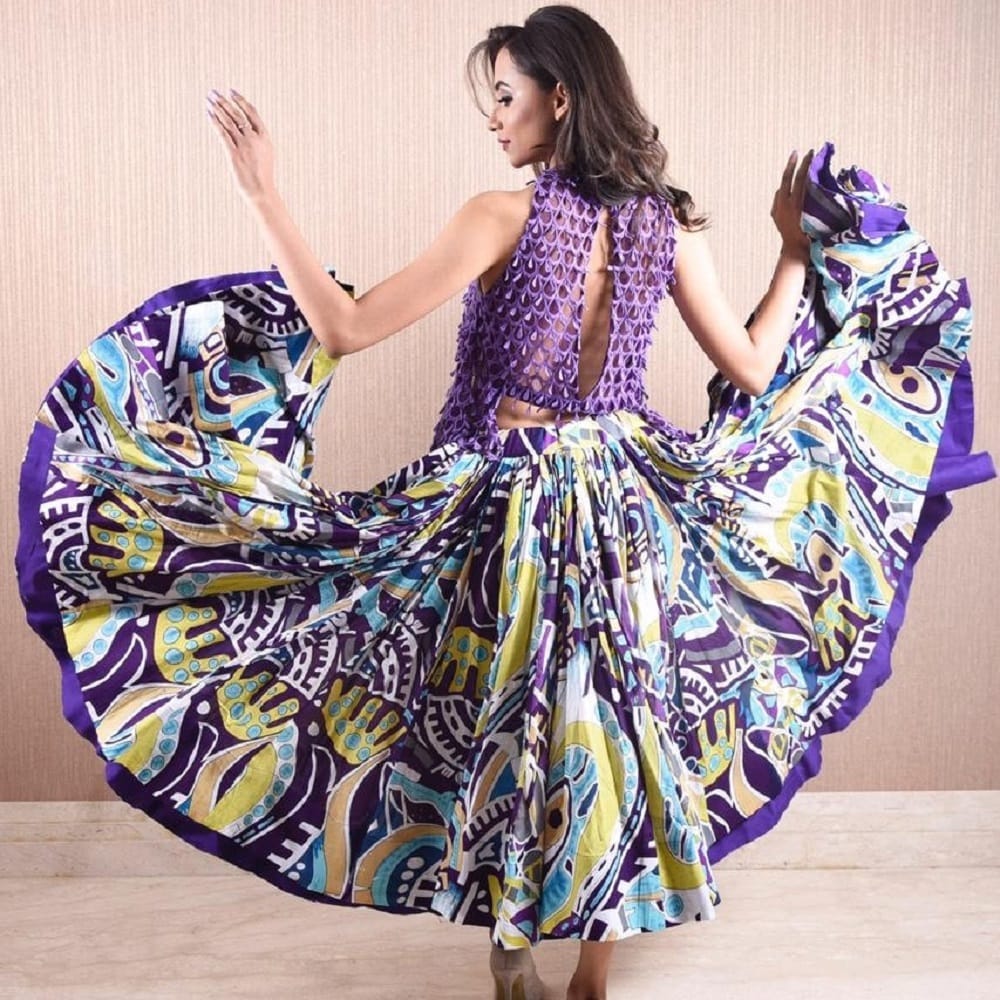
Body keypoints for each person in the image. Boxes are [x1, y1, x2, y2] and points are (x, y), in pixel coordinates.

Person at [15, 6, 995, 1000]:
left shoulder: (501, 214)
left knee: (501, 710)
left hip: (516, 496)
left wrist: (263, 193)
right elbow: (751, 365)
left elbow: (344, 327)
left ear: (558, 98)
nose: (494, 118)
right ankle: (589, 971)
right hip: (623, 496)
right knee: (617, 719)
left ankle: (514, 938)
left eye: (504, 96)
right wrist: (790, 252)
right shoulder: (663, 223)